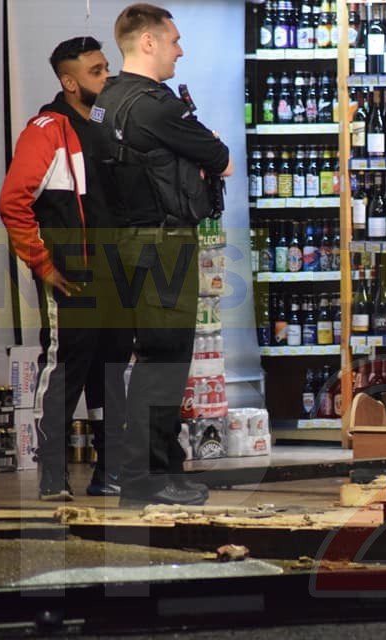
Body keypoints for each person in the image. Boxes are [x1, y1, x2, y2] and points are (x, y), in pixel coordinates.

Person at [92, 4, 233, 506]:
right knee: (165, 362)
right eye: (173, 40)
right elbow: (224, 159)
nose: (180, 49)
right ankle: (150, 477)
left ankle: (146, 471)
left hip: (122, 245)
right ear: (147, 42)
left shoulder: (105, 100)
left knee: (146, 359)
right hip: (163, 245)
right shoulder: (158, 106)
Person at [0, 37, 134, 501]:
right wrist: (44, 264)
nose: (108, 75)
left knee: (111, 369)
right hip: (73, 273)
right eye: (97, 71)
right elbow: (13, 203)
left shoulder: (103, 121)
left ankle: (109, 471)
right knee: (67, 367)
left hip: (117, 270)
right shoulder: (46, 129)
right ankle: (52, 476)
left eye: (106, 66)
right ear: (69, 82)